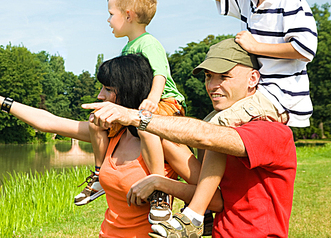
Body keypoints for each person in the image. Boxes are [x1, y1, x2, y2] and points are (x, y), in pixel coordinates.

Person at [128, 0, 316, 234]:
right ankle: (207, 201)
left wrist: (257, 46)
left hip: (279, 96)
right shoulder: (251, 0)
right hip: (261, 91)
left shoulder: (290, 1)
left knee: (213, 129)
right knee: (207, 125)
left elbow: (306, 47)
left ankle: (195, 213)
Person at [0, 54, 208, 238]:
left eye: (107, 89)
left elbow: (212, 198)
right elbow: (49, 122)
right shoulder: (112, 135)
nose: (99, 95)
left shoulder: (163, 140)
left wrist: (160, 183)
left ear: (128, 92)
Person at [83, 39, 297, 238]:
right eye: (208, 77)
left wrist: (134, 116)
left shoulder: (270, 131)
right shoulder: (220, 125)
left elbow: (205, 136)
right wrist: (161, 182)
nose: (212, 86)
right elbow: (217, 195)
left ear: (253, 79)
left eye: (224, 77)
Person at [76, 0, 186, 226]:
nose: (107, 20)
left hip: (164, 101)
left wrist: (150, 102)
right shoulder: (128, 48)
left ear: (128, 15)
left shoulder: (149, 43)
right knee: (95, 122)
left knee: (145, 128)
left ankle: (159, 191)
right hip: (137, 104)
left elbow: (159, 75)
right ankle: (98, 174)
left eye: (110, 13)